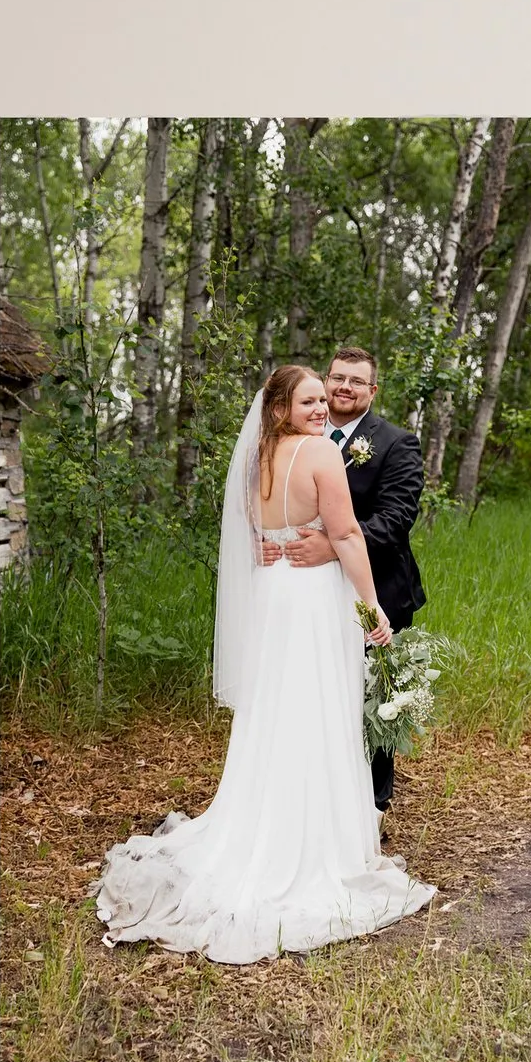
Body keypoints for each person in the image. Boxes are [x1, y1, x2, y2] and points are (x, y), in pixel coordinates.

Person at [92, 366, 435, 966]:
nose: (323, 406)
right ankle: (314, 843)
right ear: (282, 405)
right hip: (312, 596)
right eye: (310, 399)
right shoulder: (323, 455)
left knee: (279, 707)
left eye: (322, 399)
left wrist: (274, 543)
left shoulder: (257, 456)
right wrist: (371, 606)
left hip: (275, 591)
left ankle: (265, 821)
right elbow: (349, 535)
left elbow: (251, 532)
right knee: (319, 706)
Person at [274, 345, 428, 807]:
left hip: (375, 588)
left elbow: (396, 517)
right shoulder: (295, 437)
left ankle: (373, 807)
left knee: (372, 702)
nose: (343, 387)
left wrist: (334, 545)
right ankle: (317, 802)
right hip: (309, 594)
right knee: (317, 696)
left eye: (356, 381)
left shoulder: (396, 443)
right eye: (337, 377)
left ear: (372, 390)